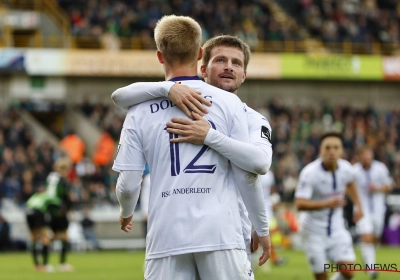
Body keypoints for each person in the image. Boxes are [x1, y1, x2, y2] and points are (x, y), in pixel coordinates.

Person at [112, 15, 270, 280]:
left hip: (166, 237)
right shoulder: (229, 104)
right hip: (220, 234)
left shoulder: (138, 111)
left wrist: (126, 212)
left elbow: (128, 184)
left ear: (160, 56)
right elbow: (247, 175)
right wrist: (263, 228)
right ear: (200, 56)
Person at [294, 132, 363, 280]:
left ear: (341, 150)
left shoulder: (346, 168)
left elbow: (350, 183)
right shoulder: (309, 173)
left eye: (336, 147)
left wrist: (358, 206)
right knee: (321, 276)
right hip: (313, 232)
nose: (331, 151)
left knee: (348, 272)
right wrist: (327, 203)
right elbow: (299, 204)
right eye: (327, 147)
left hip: (337, 229)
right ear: (321, 150)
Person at [353, 146, 393, 279]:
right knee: (367, 238)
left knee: (375, 238)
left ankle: (366, 257)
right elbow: (348, 188)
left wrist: (378, 188)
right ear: (360, 156)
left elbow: (389, 186)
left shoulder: (380, 168)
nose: (366, 157)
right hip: (362, 210)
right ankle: (371, 269)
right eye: (364, 154)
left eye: (368, 154)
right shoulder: (354, 171)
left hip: (378, 210)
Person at [45, 157, 74, 272]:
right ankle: (62, 263)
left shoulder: (50, 178)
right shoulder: (62, 180)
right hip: (60, 211)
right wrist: (69, 206)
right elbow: (66, 196)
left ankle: (45, 262)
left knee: (54, 236)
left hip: (50, 210)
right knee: (64, 237)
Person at [25, 190, 59, 272]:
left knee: (33, 238)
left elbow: (27, 204)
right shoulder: (45, 196)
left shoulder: (33, 197)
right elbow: (57, 202)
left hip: (28, 212)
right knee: (45, 238)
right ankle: (45, 265)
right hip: (38, 212)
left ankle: (36, 265)